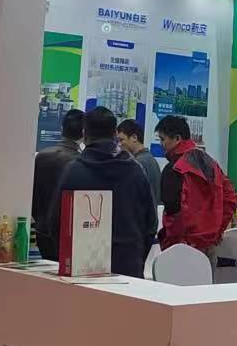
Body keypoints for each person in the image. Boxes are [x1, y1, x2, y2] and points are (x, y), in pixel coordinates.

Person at [50, 106, 157, 278]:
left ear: (84, 134)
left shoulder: (73, 171)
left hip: (83, 267)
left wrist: (71, 257)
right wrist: (135, 256)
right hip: (128, 267)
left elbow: (55, 223)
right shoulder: (135, 170)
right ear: (114, 133)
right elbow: (151, 224)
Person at [155, 114, 237, 256]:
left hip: (181, 248)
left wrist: (173, 243)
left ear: (177, 138)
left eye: (163, 139)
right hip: (209, 246)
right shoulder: (211, 164)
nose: (161, 144)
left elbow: (173, 214)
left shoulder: (174, 169)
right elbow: (230, 198)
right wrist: (216, 232)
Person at [32, 108, 85, 258]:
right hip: (69, 231)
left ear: (62, 128)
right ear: (84, 133)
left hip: (42, 229)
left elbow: (33, 194)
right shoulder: (80, 162)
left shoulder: (41, 156)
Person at [116, 118, 161, 205]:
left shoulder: (137, 163)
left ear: (134, 137)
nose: (119, 144)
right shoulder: (151, 159)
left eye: (121, 140)